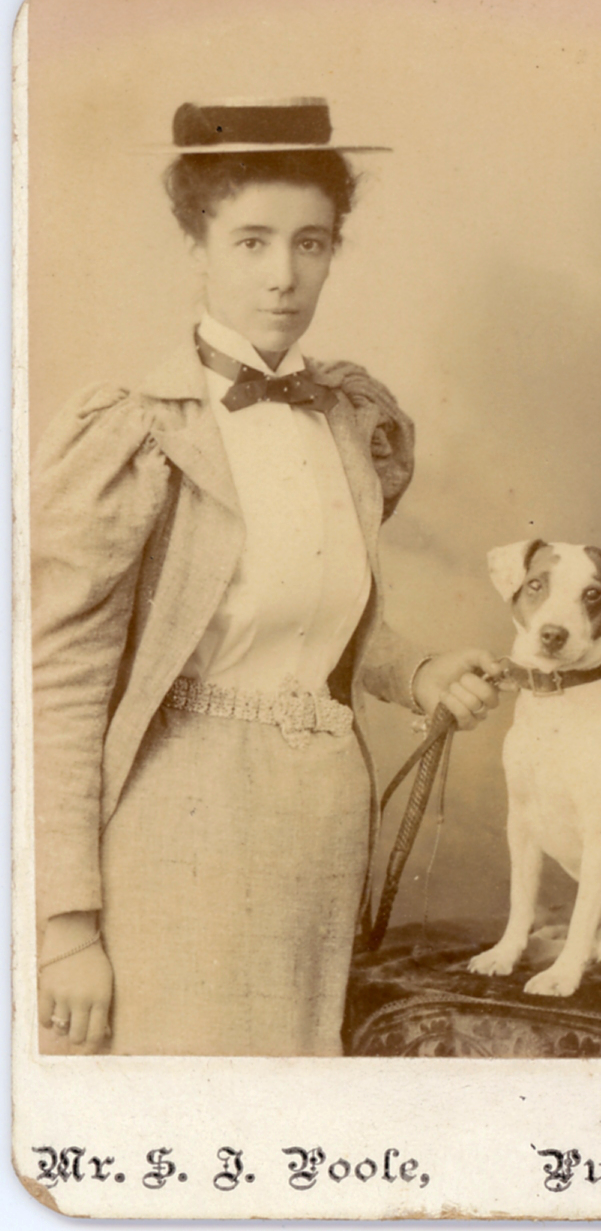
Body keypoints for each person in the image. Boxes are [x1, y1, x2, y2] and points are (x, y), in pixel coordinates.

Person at [32, 99, 500, 1057]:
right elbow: (58, 686)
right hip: (179, 823)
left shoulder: (347, 418)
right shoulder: (142, 432)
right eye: (250, 242)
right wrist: (64, 923)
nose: (284, 276)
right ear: (198, 245)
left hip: (322, 828)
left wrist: (417, 675)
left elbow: (321, 619)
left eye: (311, 243)